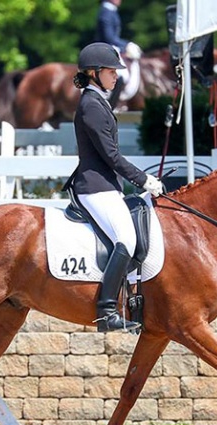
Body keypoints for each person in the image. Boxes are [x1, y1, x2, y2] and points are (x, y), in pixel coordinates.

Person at [68, 42, 163, 332]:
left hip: (106, 185)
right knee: (127, 238)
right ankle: (106, 310)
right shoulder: (90, 106)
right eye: (111, 71)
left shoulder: (98, 102)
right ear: (94, 73)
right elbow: (110, 155)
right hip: (94, 187)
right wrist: (142, 179)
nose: (116, 76)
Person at [95, 0, 142, 108]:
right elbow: (109, 37)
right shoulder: (106, 11)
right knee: (122, 75)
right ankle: (111, 106)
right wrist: (126, 45)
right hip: (105, 49)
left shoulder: (111, 10)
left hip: (112, 48)